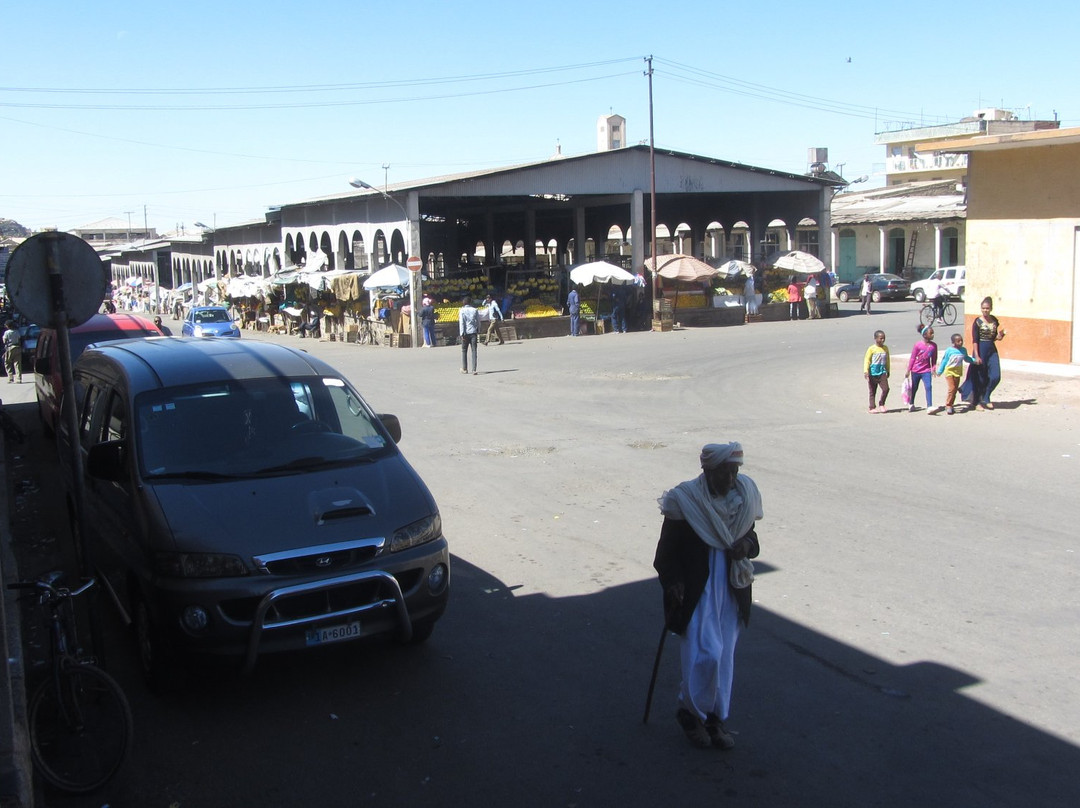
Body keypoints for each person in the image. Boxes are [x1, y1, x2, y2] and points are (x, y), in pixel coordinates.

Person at [653, 442, 763, 751]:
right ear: (707, 471)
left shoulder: (744, 497)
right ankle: (690, 712)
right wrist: (673, 582)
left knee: (724, 656)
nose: (730, 480)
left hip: (730, 587)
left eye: (734, 472)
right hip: (697, 589)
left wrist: (747, 547)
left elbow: (751, 537)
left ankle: (715, 718)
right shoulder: (685, 502)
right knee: (706, 653)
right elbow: (666, 553)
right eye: (724, 474)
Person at [961, 296, 1007, 411]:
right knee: (979, 377)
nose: (985, 310)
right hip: (980, 349)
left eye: (987, 308)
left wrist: (1000, 336)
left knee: (996, 375)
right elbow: (975, 340)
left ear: (991, 308)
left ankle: (986, 396)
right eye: (983, 308)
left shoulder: (994, 320)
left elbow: (994, 337)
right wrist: (976, 355)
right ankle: (977, 401)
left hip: (991, 350)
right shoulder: (977, 322)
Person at [935, 333, 978, 415]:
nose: (960, 342)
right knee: (952, 388)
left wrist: (974, 360)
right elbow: (944, 361)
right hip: (949, 372)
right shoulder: (949, 351)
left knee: (954, 390)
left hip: (957, 372)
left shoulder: (963, 350)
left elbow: (966, 358)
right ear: (953, 342)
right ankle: (948, 405)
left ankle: (951, 404)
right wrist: (940, 371)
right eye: (958, 341)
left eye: (961, 340)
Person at [906, 324, 939, 413]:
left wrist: (934, 368)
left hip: (926, 370)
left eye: (933, 333)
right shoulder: (918, 345)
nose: (932, 335)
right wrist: (908, 370)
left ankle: (929, 406)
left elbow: (934, 358)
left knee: (928, 386)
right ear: (924, 335)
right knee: (915, 387)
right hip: (916, 370)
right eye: (930, 333)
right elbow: (913, 357)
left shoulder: (934, 346)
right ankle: (911, 403)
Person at [863, 329, 891, 413]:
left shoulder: (885, 348)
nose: (882, 340)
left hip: (882, 372)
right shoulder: (871, 349)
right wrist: (866, 371)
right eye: (880, 338)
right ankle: (872, 407)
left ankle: (882, 403)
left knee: (886, 389)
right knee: (872, 391)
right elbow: (867, 360)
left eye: (883, 338)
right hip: (873, 372)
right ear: (875, 338)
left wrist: (888, 370)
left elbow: (888, 359)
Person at [458, 295, 480, 374]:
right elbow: (478, 321)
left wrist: (462, 333)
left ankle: (465, 368)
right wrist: (478, 330)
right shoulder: (475, 310)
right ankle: (474, 369)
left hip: (465, 333)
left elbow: (462, 323)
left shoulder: (462, 310)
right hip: (473, 332)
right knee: (474, 351)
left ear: (464, 303)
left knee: (464, 351)